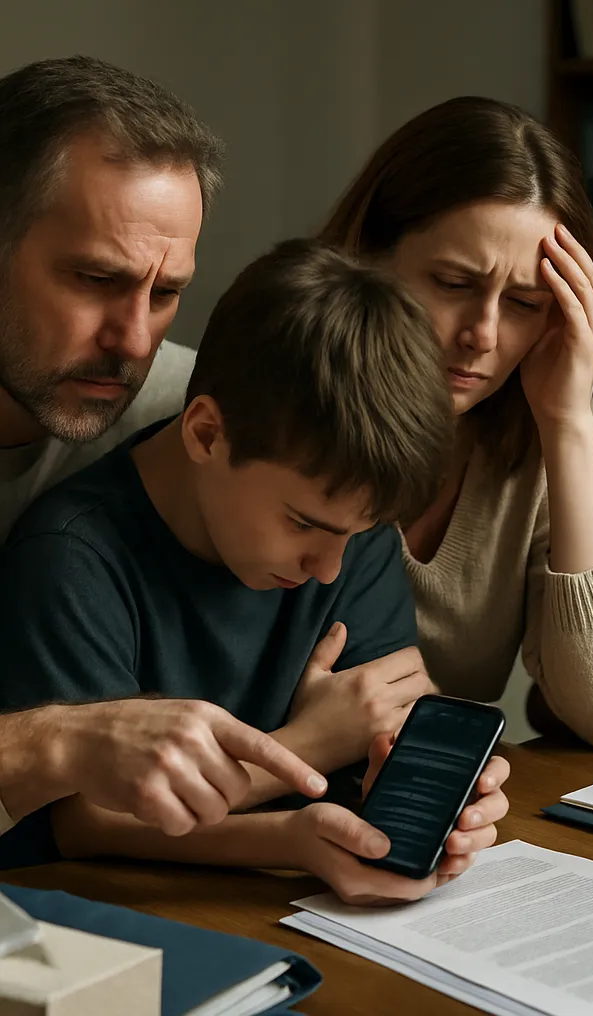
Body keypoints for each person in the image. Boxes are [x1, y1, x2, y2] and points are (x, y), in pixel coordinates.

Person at [0, 238, 510, 902]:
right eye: (304, 525)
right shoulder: (71, 557)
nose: (328, 570)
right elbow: (88, 820)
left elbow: (376, 734)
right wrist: (307, 755)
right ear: (208, 435)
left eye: (354, 536)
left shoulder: (347, 532)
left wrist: (410, 788)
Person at [0, 55, 326, 843]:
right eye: (93, 278)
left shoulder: (193, 415)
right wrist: (60, 741)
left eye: (168, 292)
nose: (134, 337)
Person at [319, 97, 593, 751]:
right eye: (453, 283)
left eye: (523, 303)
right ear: (369, 255)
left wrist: (567, 423)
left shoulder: (552, 425)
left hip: (431, 805)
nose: (483, 335)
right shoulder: (284, 410)